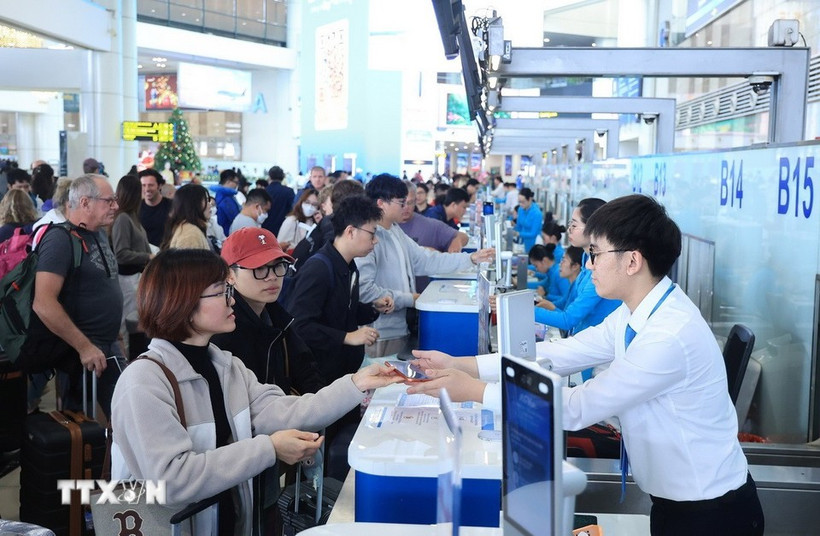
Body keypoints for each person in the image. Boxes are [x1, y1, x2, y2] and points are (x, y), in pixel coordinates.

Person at [408, 194, 765, 536]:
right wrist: (465, 364)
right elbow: (568, 352)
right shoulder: (637, 310)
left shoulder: (669, 335)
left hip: (709, 512)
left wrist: (473, 390)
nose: (589, 264)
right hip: (676, 502)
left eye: (595, 253)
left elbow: (579, 407)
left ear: (632, 261)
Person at [110, 248, 402, 535]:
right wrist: (269, 448)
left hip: (227, 520)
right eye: (221, 291)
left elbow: (285, 411)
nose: (231, 299)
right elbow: (171, 480)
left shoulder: (226, 367)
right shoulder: (144, 382)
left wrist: (356, 384)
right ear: (183, 303)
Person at [357, 175, 494, 358]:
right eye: (401, 202)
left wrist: (470, 259)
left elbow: (427, 260)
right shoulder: (368, 237)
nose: (406, 207)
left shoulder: (394, 230)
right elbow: (364, 289)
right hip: (379, 332)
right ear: (381, 203)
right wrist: (410, 299)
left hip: (400, 327)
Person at [32, 174, 123, 417]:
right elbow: (43, 302)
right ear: (85, 202)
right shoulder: (59, 239)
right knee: (81, 426)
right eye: (109, 200)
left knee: (124, 415)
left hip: (107, 346)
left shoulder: (98, 233)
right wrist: (84, 346)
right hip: (80, 353)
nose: (115, 206)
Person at [287, 195, 392, 383]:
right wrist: (347, 337)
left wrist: (373, 308)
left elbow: (342, 311)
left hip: (343, 373)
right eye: (372, 233)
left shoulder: (349, 266)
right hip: (320, 378)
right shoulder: (318, 269)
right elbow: (300, 326)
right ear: (350, 231)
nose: (375, 241)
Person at [534, 198, 620, 338]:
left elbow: (568, 320)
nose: (569, 230)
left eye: (574, 225)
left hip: (593, 342)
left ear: (593, 228)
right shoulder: (585, 258)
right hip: (579, 335)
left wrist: (526, 310)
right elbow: (569, 300)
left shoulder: (602, 270)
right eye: (570, 224)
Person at [111, 175, 153, 345]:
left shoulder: (131, 216)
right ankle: (125, 357)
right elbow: (121, 253)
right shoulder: (123, 218)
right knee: (127, 324)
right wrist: (148, 256)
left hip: (136, 278)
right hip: (128, 280)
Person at [161, 183, 212, 251]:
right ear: (193, 204)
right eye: (205, 200)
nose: (210, 205)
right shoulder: (191, 234)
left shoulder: (186, 228)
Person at [138, 168, 172, 247]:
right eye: (143, 185)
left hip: (167, 251)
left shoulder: (172, 206)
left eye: (151, 185)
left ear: (159, 186)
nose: (147, 189)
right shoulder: (136, 207)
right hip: (143, 252)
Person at [262, 165, 294, 236]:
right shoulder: (289, 191)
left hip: (266, 228)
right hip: (283, 227)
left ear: (269, 177)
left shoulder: (264, 191)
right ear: (282, 177)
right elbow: (292, 210)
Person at [212, 169, 241, 236]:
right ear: (228, 181)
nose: (237, 185)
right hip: (228, 234)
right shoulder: (226, 199)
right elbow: (235, 218)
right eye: (236, 182)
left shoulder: (219, 194)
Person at [515, 187, 543, 253]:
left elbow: (533, 233)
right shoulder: (520, 209)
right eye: (519, 202)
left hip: (533, 243)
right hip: (522, 243)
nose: (520, 204)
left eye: (523, 202)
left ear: (530, 199)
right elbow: (518, 226)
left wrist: (519, 234)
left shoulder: (537, 213)